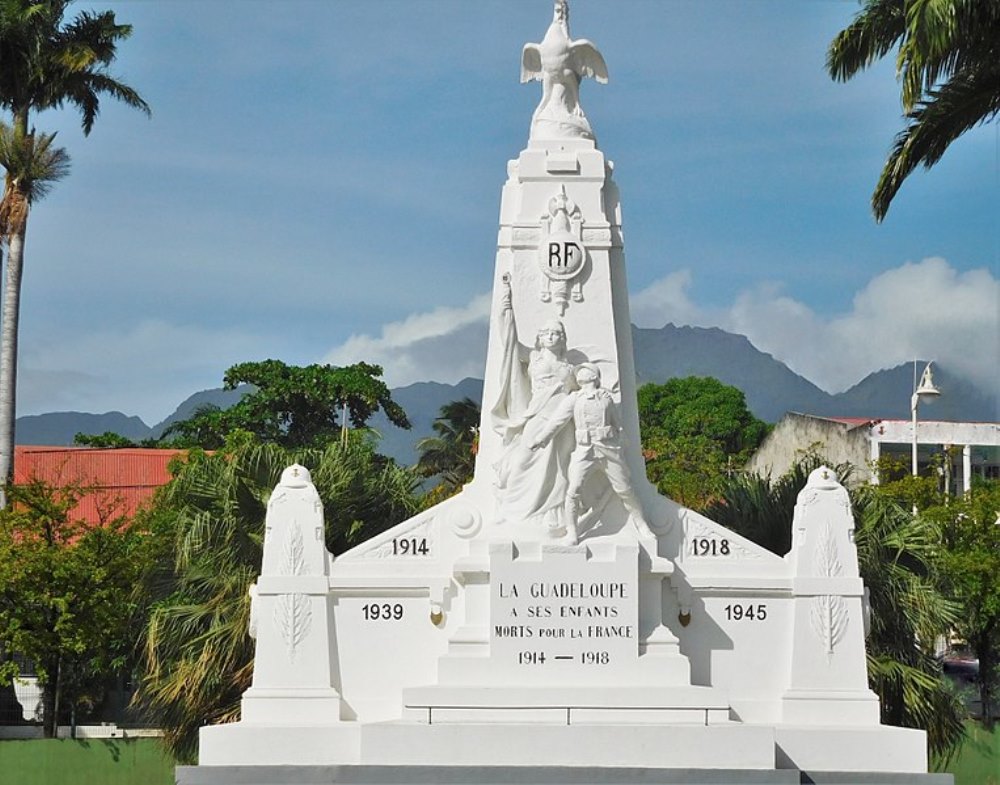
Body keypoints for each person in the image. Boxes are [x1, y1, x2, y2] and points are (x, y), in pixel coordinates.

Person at [490, 276, 576, 535]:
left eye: (556, 334)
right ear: (540, 338)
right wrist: (506, 303)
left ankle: (554, 516)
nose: (551, 337)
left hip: (562, 421)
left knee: (559, 468)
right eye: (547, 333)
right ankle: (512, 509)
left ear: (562, 339)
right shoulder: (534, 357)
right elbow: (509, 342)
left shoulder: (570, 368)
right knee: (524, 460)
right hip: (537, 416)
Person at [530, 363, 654, 543]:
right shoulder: (574, 398)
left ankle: (642, 523)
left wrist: (621, 444)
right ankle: (572, 531)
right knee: (573, 491)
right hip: (585, 450)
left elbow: (617, 424)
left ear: (595, 376)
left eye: (586, 370)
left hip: (608, 449)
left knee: (625, 489)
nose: (582, 372)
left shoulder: (606, 397)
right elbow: (557, 421)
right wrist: (541, 438)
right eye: (580, 370)